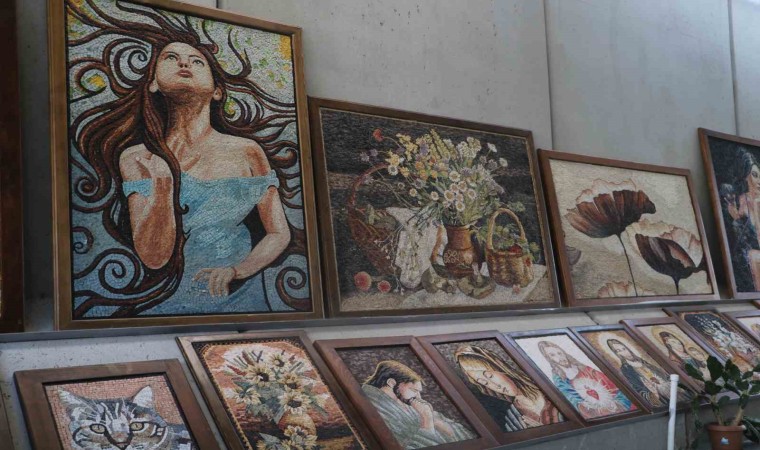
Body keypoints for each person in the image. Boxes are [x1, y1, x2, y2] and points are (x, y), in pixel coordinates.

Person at [70, 3, 304, 317]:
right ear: (153, 83)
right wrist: (163, 187)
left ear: (217, 91)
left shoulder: (248, 151)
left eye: (197, 61)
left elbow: (278, 233)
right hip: (165, 303)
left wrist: (238, 271)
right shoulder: (137, 158)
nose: (184, 63)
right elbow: (154, 257)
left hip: (241, 297)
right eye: (171, 58)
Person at [361, 360, 475, 448]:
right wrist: (427, 422)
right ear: (391, 383)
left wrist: (437, 422)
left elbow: (468, 437)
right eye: (414, 390)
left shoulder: (406, 402)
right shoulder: (374, 408)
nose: (418, 397)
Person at [455, 345, 561, 431]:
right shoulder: (512, 416)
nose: (495, 386)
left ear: (500, 368)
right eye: (484, 383)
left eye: (490, 376)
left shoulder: (548, 386)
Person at [537, 341, 634, 419]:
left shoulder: (585, 369)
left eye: (559, 353)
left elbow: (614, 387)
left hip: (618, 406)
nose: (560, 357)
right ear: (549, 359)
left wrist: (616, 403)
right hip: (595, 413)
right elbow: (573, 401)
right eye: (553, 355)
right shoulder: (560, 379)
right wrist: (597, 409)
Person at [720, 148, 760, 291]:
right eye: (755, 175)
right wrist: (731, 206)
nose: (759, 181)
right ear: (746, 176)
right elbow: (738, 216)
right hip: (753, 247)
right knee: (753, 256)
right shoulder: (743, 198)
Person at [607, 339, 672, 407]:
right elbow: (638, 388)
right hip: (662, 398)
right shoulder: (626, 368)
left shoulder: (641, 361)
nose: (625, 352)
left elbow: (661, 374)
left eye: (624, 348)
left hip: (670, 388)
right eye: (619, 351)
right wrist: (653, 394)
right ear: (617, 354)